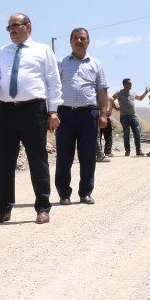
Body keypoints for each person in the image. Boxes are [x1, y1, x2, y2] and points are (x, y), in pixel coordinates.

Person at [0, 13, 62, 225]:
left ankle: (43, 207)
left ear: (28, 26)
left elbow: (53, 82)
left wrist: (53, 111)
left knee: (37, 159)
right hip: (6, 111)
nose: (11, 30)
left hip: (33, 110)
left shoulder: (43, 50)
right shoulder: (3, 52)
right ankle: (4, 209)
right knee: (6, 161)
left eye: (15, 25)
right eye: (8, 27)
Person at [55, 28, 109, 205]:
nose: (79, 41)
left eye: (83, 38)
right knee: (64, 156)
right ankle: (64, 194)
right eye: (76, 38)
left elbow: (102, 91)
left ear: (88, 42)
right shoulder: (61, 63)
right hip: (65, 114)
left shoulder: (96, 64)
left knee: (87, 155)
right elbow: (54, 89)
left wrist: (103, 114)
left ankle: (85, 192)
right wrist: (52, 112)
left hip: (88, 115)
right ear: (71, 41)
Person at [111, 79, 149, 157]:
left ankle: (139, 151)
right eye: (129, 83)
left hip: (133, 116)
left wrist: (145, 93)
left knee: (137, 132)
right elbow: (111, 99)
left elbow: (140, 98)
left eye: (131, 83)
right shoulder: (119, 92)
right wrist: (116, 108)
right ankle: (127, 151)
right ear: (124, 84)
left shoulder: (133, 93)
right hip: (124, 116)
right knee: (126, 133)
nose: (131, 85)